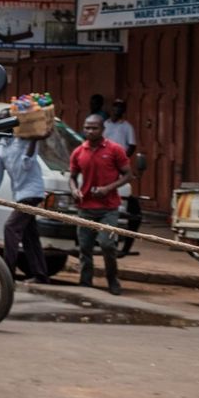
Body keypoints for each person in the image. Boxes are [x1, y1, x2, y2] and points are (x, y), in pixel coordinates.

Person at [69, 113, 133, 295]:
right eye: (87, 127)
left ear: (102, 130)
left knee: (107, 244)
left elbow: (128, 175)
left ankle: (112, 280)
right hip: (85, 208)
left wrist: (108, 188)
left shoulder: (115, 149)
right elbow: (72, 177)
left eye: (94, 128)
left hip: (109, 208)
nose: (89, 131)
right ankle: (85, 282)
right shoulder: (78, 152)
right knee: (85, 248)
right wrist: (74, 190)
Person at [0, 115, 49, 283]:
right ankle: (40, 275)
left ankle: (7, 274)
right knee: (29, 234)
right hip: (20, 194)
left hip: (32, 193)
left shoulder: (26, 140)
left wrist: (33, 141)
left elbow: (26, 165)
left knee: (11, 228)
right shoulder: (2, 147)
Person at [103, 99, 142, 253]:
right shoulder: (104, 124)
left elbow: (132, 145)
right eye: (115, 106)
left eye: (121, 107)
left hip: (118, 164)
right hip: (103, 163)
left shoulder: (127, 127)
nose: (117, 109)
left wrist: (121, 159)